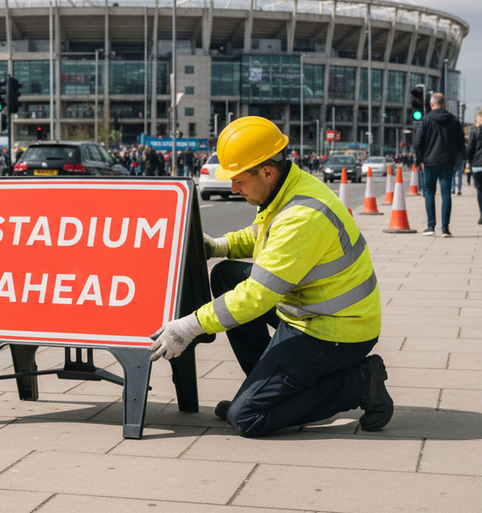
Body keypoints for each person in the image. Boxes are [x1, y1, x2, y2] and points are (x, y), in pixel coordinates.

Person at [149, 116, 392, 438]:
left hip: (336, 331)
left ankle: (360, 381)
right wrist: (218, 246)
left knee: (248, 417)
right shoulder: (287, 188)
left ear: (266, 172)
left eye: (239, 180)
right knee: (226, 276)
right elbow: (263, 235)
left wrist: (189, 327)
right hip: (312, 312)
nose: (233, 188)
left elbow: (257, 295)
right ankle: (269, 386)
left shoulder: (303, 216)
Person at [413, 92, 465, 237]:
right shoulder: (454, 120)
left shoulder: (426, 120)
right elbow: (461, 143)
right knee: (446, 193)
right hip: (448, 162)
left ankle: (431, 227)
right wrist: (454, 156)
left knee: (429, 192)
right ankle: (445, 229)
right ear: (445, 104)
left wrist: (419, 160)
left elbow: (418, 143)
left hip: (430, 162)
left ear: (431, 104)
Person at [466, 112, 482, 226]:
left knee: (480, 190)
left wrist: (470, 162)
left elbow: (470, 149)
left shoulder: (474, 132)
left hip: (478, 165)